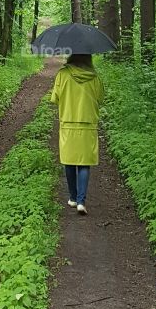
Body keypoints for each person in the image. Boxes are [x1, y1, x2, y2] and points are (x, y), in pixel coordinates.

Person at [48, 52, 104, 215]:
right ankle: (81, 201)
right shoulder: (94, 77)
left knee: (70, 161)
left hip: (68, 123)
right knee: (84, 163)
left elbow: (55, 98)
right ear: (89, 58)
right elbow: (100, 98)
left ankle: (72, 197)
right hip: (88, 124)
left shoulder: (62, 75)